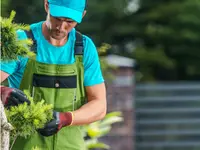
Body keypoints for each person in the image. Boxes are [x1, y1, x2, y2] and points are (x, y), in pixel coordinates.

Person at [0, 0, 107, 149]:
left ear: (82, 15)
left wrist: (66, 118)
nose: (61, 27)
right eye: (57, 18)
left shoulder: (84, 48)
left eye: (69, 21)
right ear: (46, 6)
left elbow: (99, 105)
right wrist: (2, 92)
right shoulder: (22, 41)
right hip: (24, 145)